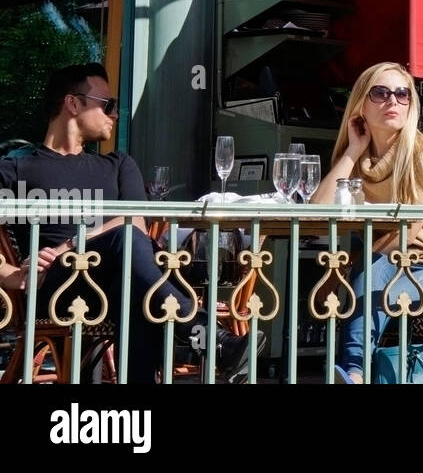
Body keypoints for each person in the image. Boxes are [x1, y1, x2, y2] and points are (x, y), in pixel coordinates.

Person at [0, 63, 253, 383]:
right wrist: (11, 275)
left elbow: (134, 225)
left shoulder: (118, 164)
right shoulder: (17, 171)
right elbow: (126, 229)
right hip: (59, 285)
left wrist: (72, 244)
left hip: (120, 279)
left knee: (132, 268)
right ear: (73, 104)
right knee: (132, 259)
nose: (115, 114)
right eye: (108, 105)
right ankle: (206, 336)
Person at [312, 62, 423, 384]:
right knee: (366, 273)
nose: (392, 101)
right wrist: (353, 151)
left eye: (402, 94)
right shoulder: (361, 158)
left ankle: (354, 372)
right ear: (361, 105)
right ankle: (353, 372)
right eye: (380, 93)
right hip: (389, 266)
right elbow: (318, 211)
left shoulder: (421, 154)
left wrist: (366, 257)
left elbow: (409, 228)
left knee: (372, 279)